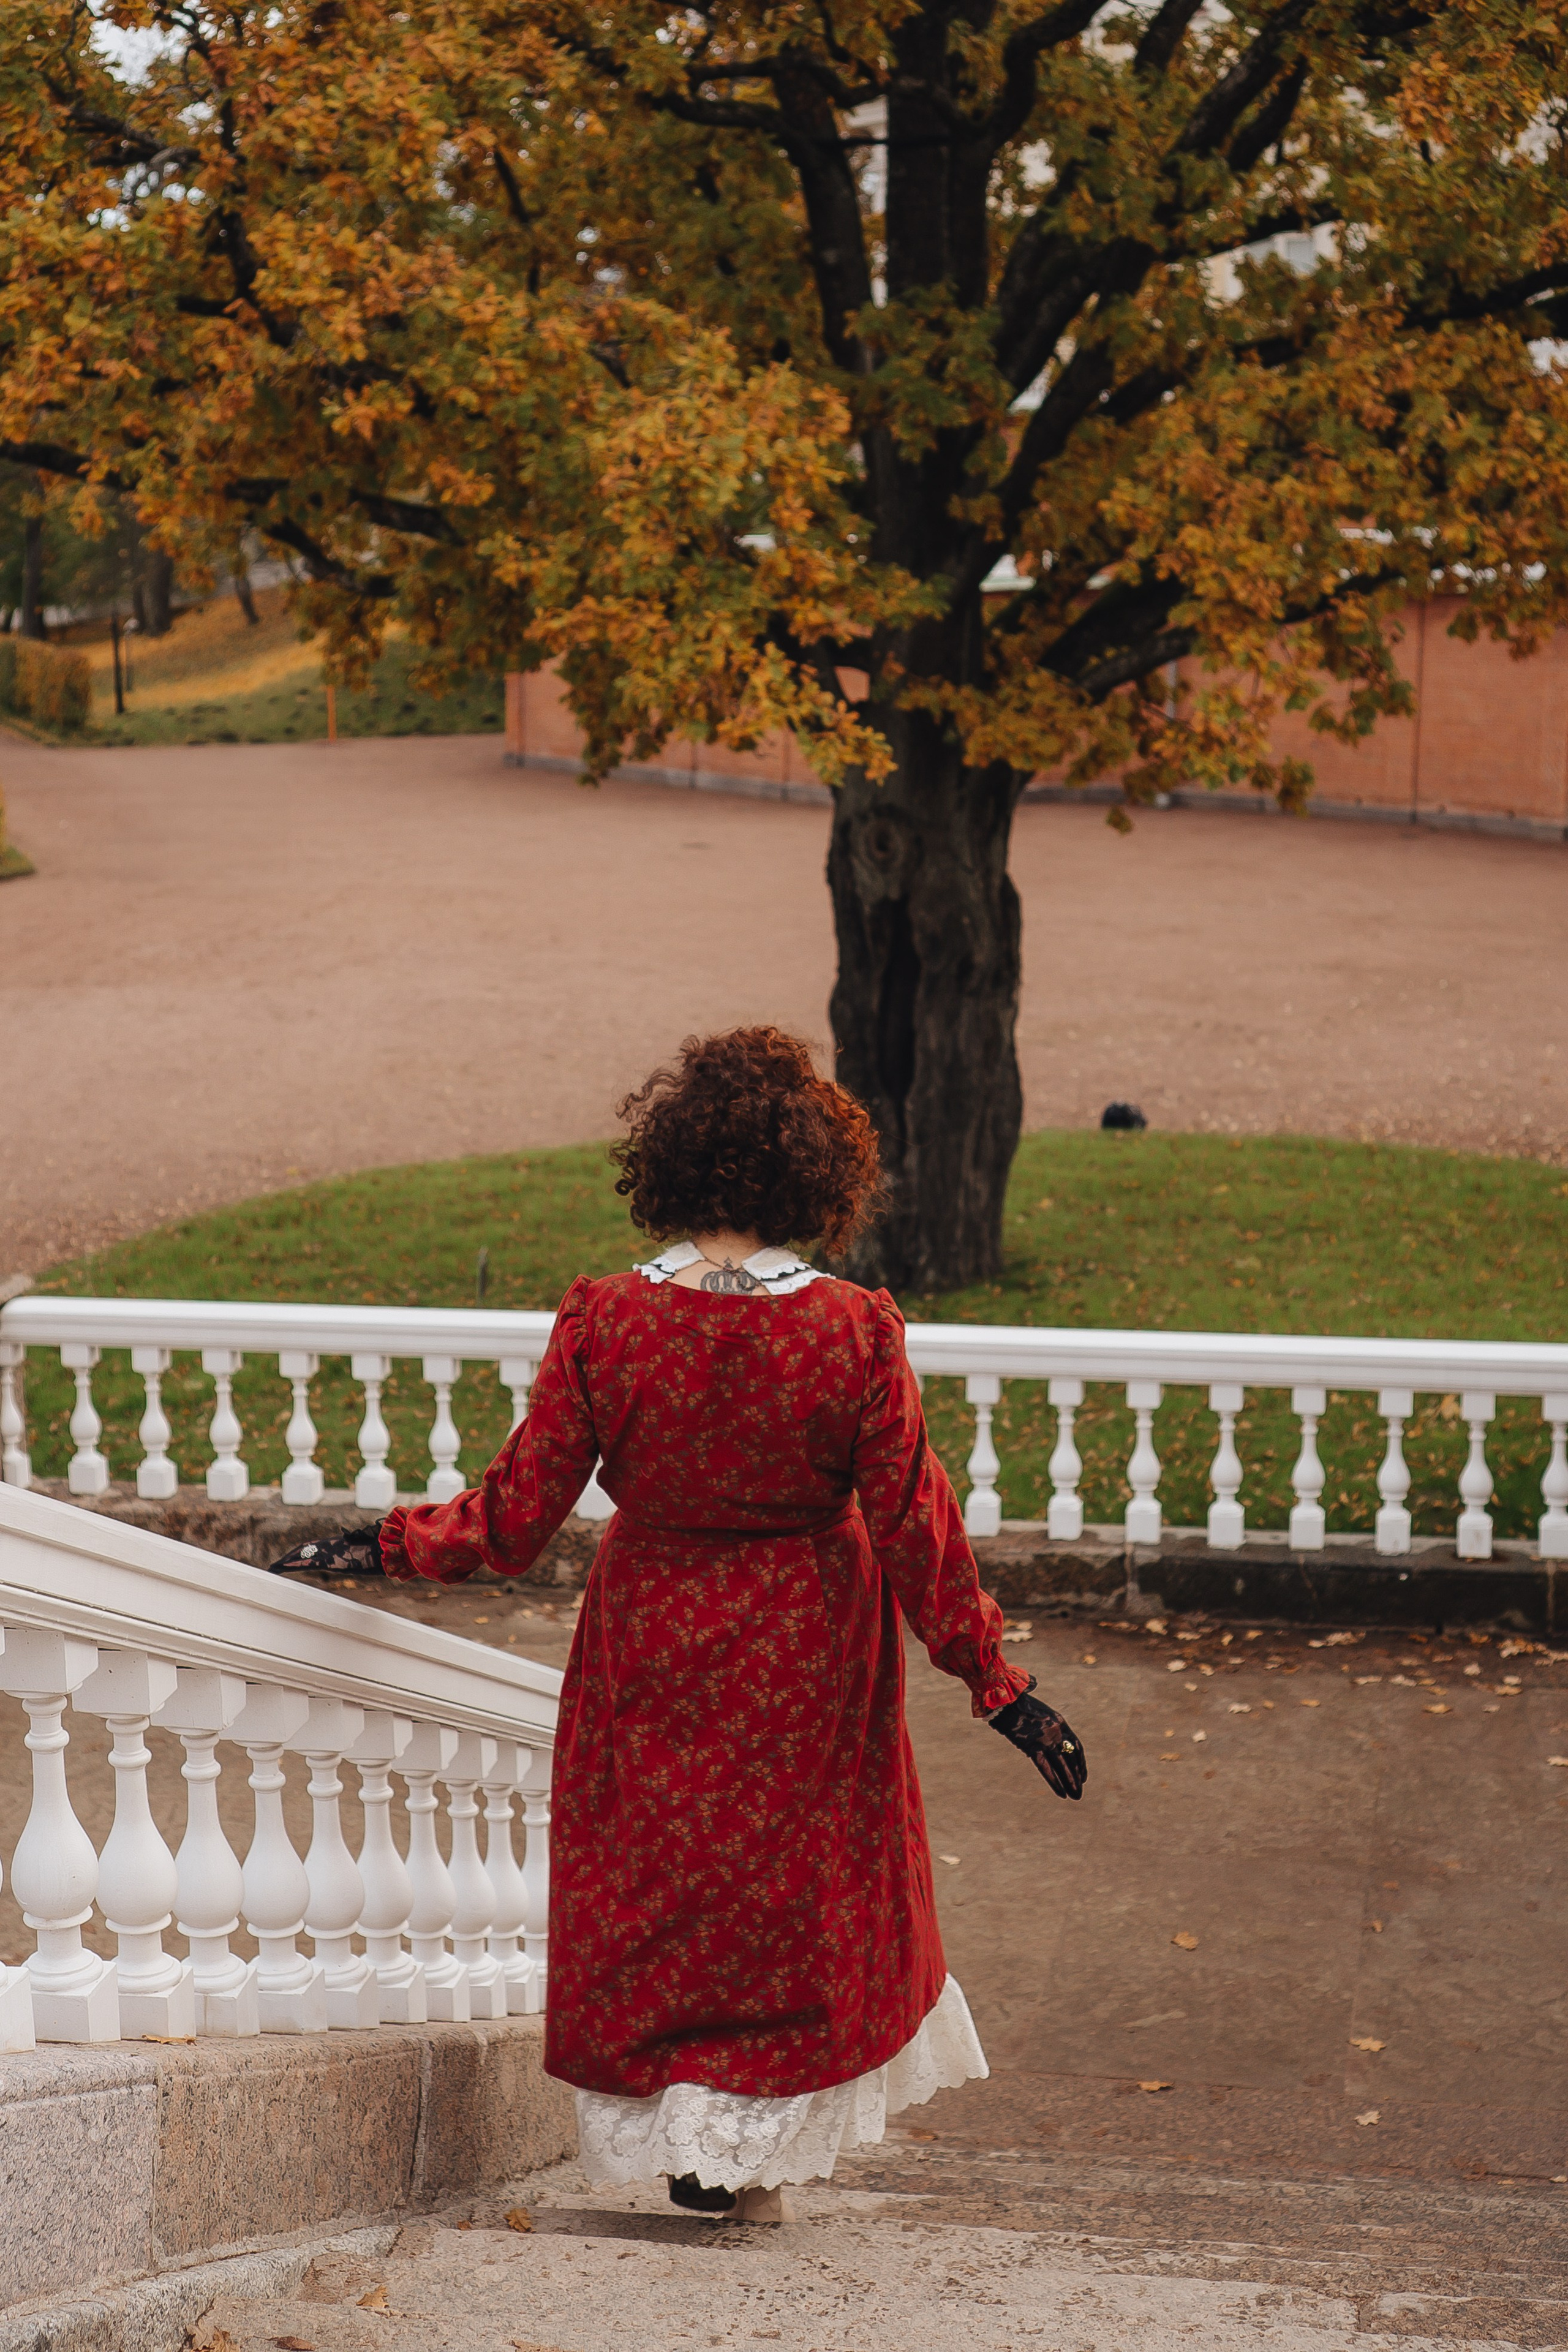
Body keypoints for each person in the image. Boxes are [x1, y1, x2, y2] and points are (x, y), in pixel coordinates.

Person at [274, 1027, 1086, 2223]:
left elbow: (513, 1515)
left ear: (671, 1160)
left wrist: (382, 1543)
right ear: (811, 1172)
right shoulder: (851, 1328)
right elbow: (917, 1530)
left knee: (661, 1886)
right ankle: (746, 2164)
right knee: (786, 1896)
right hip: (807, 1637)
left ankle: (694, 2141)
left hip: (650, 1624)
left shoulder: (605, 1319)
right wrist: (996, 1684)